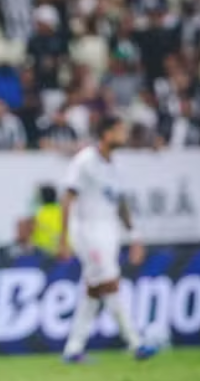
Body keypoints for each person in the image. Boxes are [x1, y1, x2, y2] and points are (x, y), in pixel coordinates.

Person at [58, 115, 157, 363]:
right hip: (87, 230)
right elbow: (68, 198)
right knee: (110, 282)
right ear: (105, 133)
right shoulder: (85, 162)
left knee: (94, 289)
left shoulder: (115, 166)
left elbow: (120, 203)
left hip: (108, 231)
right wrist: (63, 238)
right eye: (119, 130)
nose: (123, 135)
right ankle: (136, 343)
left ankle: (73, 349)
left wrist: (135, 236)